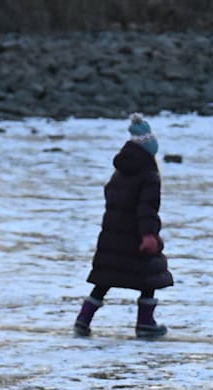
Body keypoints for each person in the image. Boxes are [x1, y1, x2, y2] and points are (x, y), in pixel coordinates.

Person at [73, 114, 173, 338]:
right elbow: (147, 208)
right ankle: (146, 323)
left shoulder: (120, 171)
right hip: (137, 235)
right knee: (149, 277)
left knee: (106, 277)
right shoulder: (149, 175)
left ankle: (83, 319)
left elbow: (112, 198)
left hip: (113, 234)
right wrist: (149, 234)